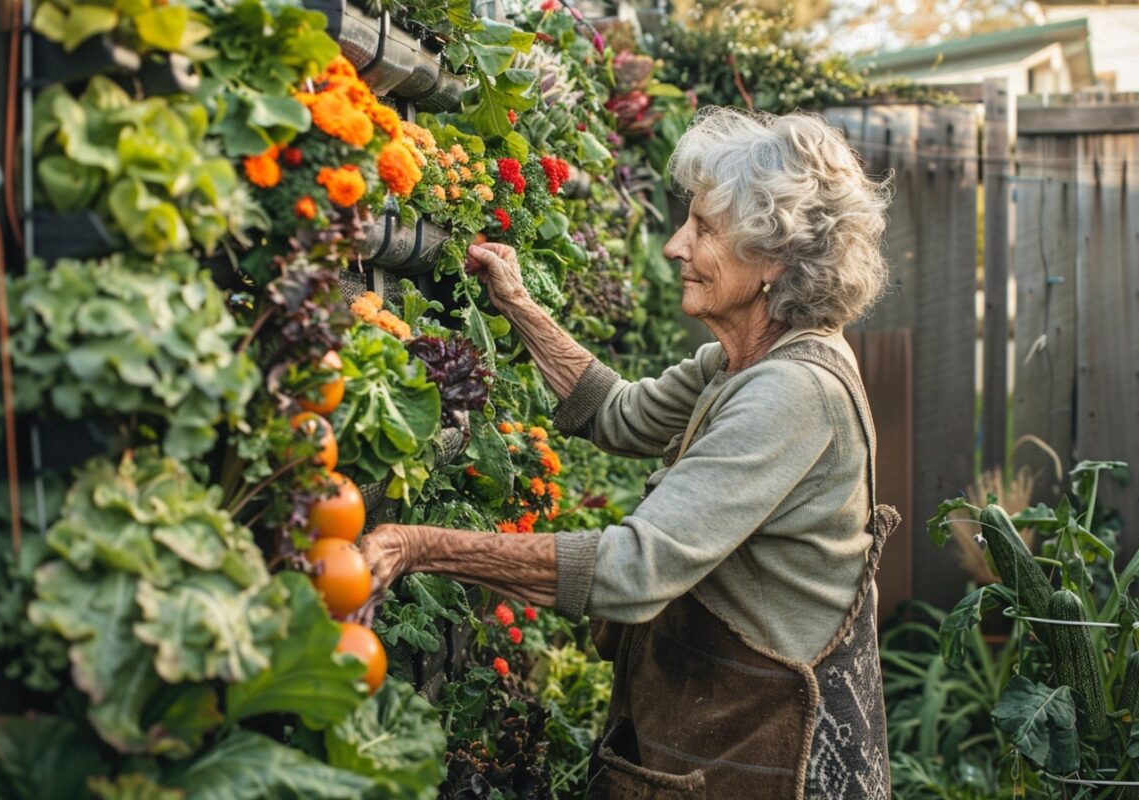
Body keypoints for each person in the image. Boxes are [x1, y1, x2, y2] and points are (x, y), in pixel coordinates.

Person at [360, 107, 900, 800]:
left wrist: (415, 546)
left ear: (774, 258)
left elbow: (633, 570)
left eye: (704, 228)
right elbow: (619, 414)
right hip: (711, 744)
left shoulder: (791, 394)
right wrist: (518, 302)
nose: (676, 245)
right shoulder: (739, 365)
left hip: (770, 765)